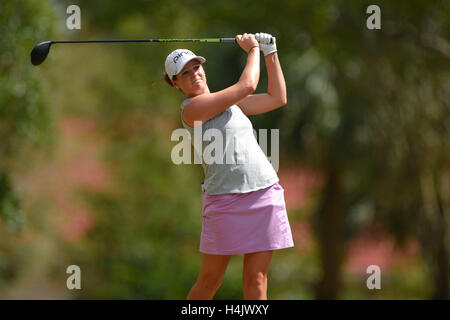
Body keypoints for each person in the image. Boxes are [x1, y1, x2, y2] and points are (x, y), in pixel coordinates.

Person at [164, 33, 294, 300]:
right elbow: (247, 84)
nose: (194, 74)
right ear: (176, 83)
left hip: (263, 193)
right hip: (223, 202)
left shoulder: (232, 104)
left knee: (256, 281)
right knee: (210, 280)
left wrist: (271, 52)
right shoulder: (191, 109)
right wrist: (253, 50)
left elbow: (277, 97)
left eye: (196, 67)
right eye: (185, 74)